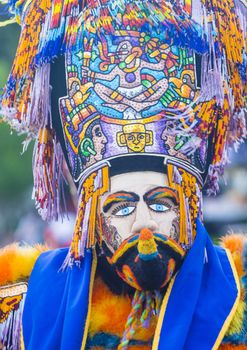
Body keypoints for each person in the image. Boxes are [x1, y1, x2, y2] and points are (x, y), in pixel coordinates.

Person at [0, 0, 246, 349]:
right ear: (91, 215)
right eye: (121, 207)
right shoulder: (22, 300)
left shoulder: (241, 291)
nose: (143, 226)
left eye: (162, 204)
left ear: (190, 205)